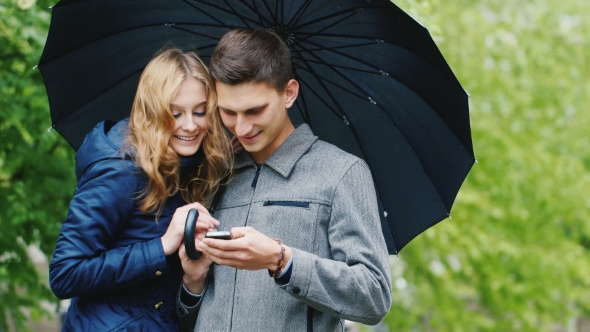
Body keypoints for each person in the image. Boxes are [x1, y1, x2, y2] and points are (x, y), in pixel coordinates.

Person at [177, 28, 392, 332]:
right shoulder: (213, 174)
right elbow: (182, 317)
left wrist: (281, 260)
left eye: (255, 110)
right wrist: (192, 282)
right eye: (228, 112)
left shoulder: (342, 172)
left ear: (289, 92)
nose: (241, 127)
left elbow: (374, 296)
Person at [49, 48, 232, 331]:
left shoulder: (184, 164)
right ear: (153, 111)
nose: (190, 125)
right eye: (175, 113)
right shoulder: (121, 170)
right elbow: (65, 273)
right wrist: (161, 247)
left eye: (200, 111)